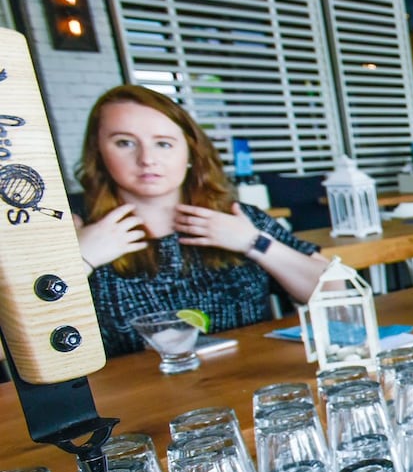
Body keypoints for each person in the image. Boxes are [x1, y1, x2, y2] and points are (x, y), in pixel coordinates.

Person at [75, 85, 328, 357]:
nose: (147, 159)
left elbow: (333, 290)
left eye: (163, 143)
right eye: (125, 142)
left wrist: (254, 243)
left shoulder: (237, 216)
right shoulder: (76, 232)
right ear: (98, 153)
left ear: (191, 154)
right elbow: (35, 345)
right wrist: (80, 261)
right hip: (140, 397)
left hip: (253, 385)